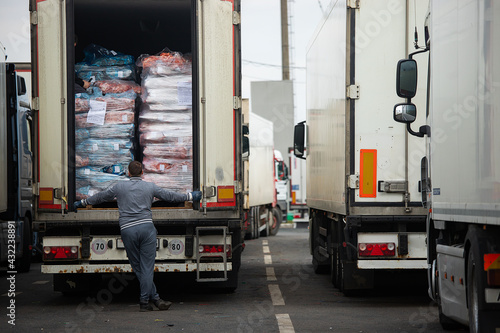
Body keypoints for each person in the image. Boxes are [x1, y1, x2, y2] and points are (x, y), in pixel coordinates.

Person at [73, 161, 202, 312]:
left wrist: (82, 202)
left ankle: (154, 299)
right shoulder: (150, 186)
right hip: (147, 229)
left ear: (128, 173)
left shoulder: (119, 186)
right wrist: (190, 196)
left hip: (128, 230)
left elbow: (101, 197)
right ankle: (147, 300)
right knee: (147, 268)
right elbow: (170, 196)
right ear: (142, 173)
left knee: (138, 267)